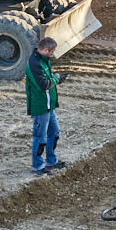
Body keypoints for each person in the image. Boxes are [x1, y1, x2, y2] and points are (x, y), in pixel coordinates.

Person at [26, 37, 68, 175]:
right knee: (40, 138)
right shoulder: (34, 63)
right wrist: (56, 78)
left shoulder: (44, 61)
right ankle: (37, 166)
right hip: (41, 107)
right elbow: (43, 85)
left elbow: (48, 81)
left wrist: (57, 79)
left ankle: (51, 161)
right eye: (52, 51)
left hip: (49, 107)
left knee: (54, 133)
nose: (53, 54)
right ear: (45, 50)